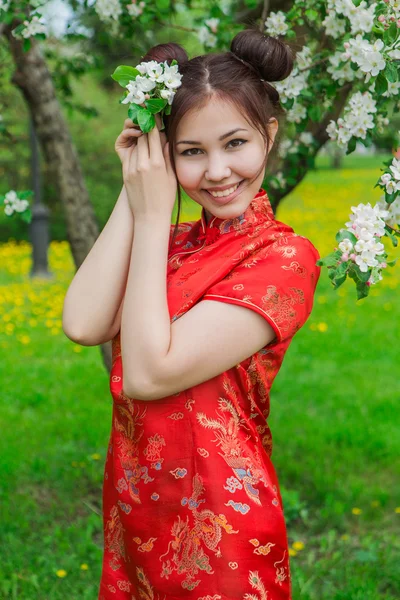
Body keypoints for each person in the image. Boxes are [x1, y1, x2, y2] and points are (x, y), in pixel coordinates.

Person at [63, 28, 321, 600]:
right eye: (191, 152)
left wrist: (154, 217)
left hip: (223, 522)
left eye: (235, 143)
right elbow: (82, 324)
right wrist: (139, 189)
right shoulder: (173, 240)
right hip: (138, 504)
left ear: (269, 136)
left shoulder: (284, 258)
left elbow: (150, 374)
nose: (218, 171)